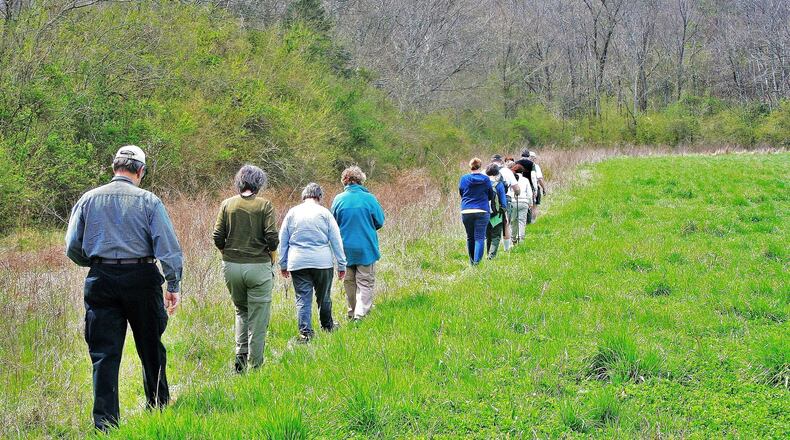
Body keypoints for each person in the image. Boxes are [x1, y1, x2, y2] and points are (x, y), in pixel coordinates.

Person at [65, 145, 182, 432]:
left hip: (101, 279)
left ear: (114, 166)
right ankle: (158, 407)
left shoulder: (88, 199)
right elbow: (168, 249)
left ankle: (105, 424)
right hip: (142, 277)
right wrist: (173, 284)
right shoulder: (149, 201)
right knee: (150, 346)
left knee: (104, 354)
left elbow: (72, 246)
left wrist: (95, 262)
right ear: (140, 171)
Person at [212, 165, 279, 373]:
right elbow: (272, 238)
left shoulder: (227, 204)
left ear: (239, 182)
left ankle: (239, 362)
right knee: (258, 319)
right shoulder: (264, 205)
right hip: (258, 266)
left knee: (241, 311)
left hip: (231, 266)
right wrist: (269, 252)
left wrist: (226, 252)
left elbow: (217, 237)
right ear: (258, 183)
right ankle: (255, 366)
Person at [279, 183, 347, 342]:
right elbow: (336, 240)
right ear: (319, 197)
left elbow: (283, 240)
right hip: (322, 262)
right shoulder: (324, 213)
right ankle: (327, 325)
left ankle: (306, 332)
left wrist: (283, 264)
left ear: (304, 196)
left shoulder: (292, 213)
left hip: (298, 262)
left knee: (303, 298)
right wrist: (341, 264)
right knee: (324, 297)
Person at [331, 166, 385, 320]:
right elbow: (380, 221)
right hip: (366, 247)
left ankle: (352, 311)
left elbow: (332, 224)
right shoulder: (369, 199)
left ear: (344, 181)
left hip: (345, 249)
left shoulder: (338, 199)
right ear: (361, 181)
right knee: (365, 282)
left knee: (349, 282)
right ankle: (360, 315)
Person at [459, 158, 494, 265]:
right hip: (482, 210)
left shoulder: (464, 178)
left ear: (470, 167)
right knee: (479, 237)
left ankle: (471, 262)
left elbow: (461, 192)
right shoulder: (486, 179)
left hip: (467, 210)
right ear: (480, 166)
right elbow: (490, 194)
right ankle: (476, 263)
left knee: (470, 237)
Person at [491, 155, 519, 251]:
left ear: (492, 161)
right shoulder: (507, 171)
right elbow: (516, 187)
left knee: (491, 222)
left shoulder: (485, 171)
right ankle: (506, 248)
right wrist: (517, 193)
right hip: (505, 198)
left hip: (490, 200)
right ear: (501, 162)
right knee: (505, 223)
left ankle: (491, 248)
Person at [485, 163, 508, 259]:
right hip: (496, 214)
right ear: (497, 173)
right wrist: (504, 211)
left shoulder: (483, 183)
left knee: (488, 235)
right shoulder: (499, 184)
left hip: (484, 213)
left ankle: (487, 254)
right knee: (496, 235)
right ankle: (491, 255)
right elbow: (503, 202)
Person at [509, 163, 534, 244]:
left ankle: (513, 239)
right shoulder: (525, 180)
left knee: (513, 221)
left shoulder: (511, 179)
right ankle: (521, 239)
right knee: (522, 221)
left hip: (513, 201)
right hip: (524, 202)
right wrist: (530, 203)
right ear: (522, 172)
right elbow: (529, 194)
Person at [529, 151, 548, 221]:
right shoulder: (536, 166)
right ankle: (533, 221)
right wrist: (544, 188)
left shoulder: (521, 165)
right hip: (534, 188)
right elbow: (539, 179)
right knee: (534, 206)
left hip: (524, 189)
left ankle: (527, 221)